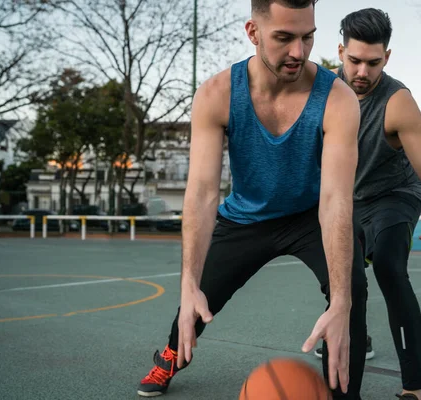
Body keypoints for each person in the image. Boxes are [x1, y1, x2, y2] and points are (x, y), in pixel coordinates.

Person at [136, 0, 369, 399]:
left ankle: (347, 392)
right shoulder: (217, 94)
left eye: (307, 37)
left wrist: (342, 299)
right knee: (198, 295)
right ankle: (171, 356)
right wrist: (188, 283)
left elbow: (334, 200)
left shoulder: (338, 99)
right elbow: (204, 191)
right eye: (284, 37)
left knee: (352, 289)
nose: (298, 51)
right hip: (246, 215)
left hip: (310, 214)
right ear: (253, 32)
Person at [315, 8, 421, 400]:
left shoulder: (397, 102)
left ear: (387, 58)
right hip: (347, 200)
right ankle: (347, 368)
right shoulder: (322, 93)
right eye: (354, 61)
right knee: (345, 284)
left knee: (390, 268)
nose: (362, 72)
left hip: (394, 195)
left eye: (373, 63)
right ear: (340, 51)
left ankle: (413, 387)